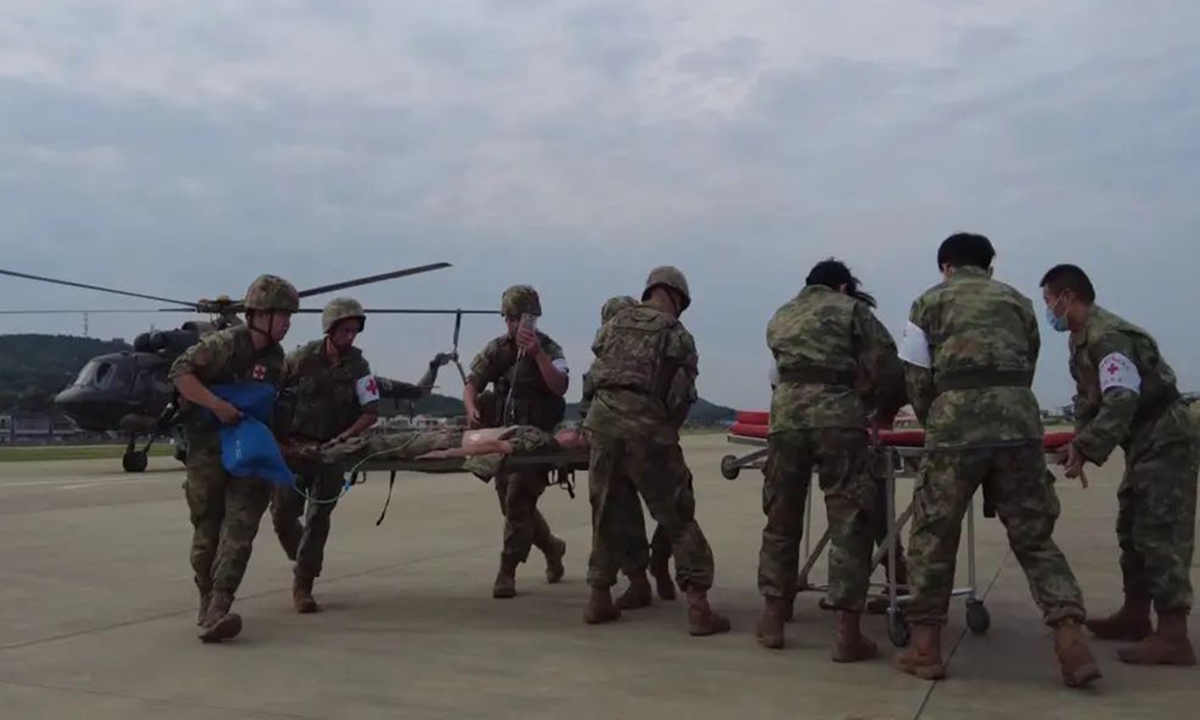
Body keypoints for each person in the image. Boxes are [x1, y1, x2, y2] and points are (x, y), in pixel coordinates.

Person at [893, 233, 1100, 687]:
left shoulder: (926, 302)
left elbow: (916, 376)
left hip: (955, 425)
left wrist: (939, 418)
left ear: (946, 266)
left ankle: (925, 647)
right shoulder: (1020, 302)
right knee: (1035, 538)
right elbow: (1029, 361)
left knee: (934, 535)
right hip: (1018, 422)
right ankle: (1071, 640)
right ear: (989, 266)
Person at [1041, 263, 1198, 666]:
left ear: (1067, 297)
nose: (1049, 312)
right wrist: (1078, 441)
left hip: (1165, 436)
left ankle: (1174, 635)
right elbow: (1087, 401)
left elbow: (1122, 399)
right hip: (1140, 441)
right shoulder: (1081, 341)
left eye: (1048, 302)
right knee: (1131, 528)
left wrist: (1088, 448)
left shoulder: (1109, 337)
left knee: (1160, 530)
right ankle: (1135, 615)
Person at [757, 259, 907, 658]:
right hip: (838, 418)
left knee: (781, 519)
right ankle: (846, 634)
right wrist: (880, 406)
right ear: (842, 286)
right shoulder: (852, 309)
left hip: (785, 419)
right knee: (850, 522)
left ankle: (773, 619)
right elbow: (888, 364)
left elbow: (777, 371)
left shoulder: (782, 314)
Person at [581, 266, 730, 636]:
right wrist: (666, 433)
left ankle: (599, 598)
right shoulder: (675, 333)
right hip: (647, 428)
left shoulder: (613, 324)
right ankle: (698, 610)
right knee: (678, 515)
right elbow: (680, 396)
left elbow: (593, 378)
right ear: (678, 298)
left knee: (605, 512)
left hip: (602, 427)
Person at [168, 274, 298, 642]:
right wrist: (217, 405)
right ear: (260, 314)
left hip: (249, 447)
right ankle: (206, 596)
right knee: (207, 529)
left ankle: (220, 606)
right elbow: (179, 371)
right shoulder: (225, 344)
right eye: (284, 315)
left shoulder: (276, 358)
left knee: (241, 528)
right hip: (208, 445)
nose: (289, 323)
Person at [269, 297, 385, 613]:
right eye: (345, 330)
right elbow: (270, 395)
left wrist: (344, 437)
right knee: (282, 514)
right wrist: (276, 439)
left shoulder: (359, 367)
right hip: (293, 448)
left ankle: (303, 584)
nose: (351, 337)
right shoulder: (300, 359)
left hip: (332, 451)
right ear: (330, 330)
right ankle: (304, 560)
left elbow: (371, 412)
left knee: (319, 517)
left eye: (354, 331)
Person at [463, 284, 570, 599]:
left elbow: (560, 385)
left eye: (520, 319)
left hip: (536, 442)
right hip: (503, 438)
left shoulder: (550, 349)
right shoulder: (498, 349)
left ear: (534, 319)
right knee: (511, 506)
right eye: (508, 319)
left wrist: (537, 354)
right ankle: (552, 547)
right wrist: (471, 406)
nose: (514, 326)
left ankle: (507, 570)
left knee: (518, 501)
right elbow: (474, 380)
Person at [581, 294, 678, 607]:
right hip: (638, 437)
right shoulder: (617, 361)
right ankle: (641, 578)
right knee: (640, 510)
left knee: (616, 512)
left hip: (632, 436)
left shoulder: (648, 355)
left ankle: (650, 570)